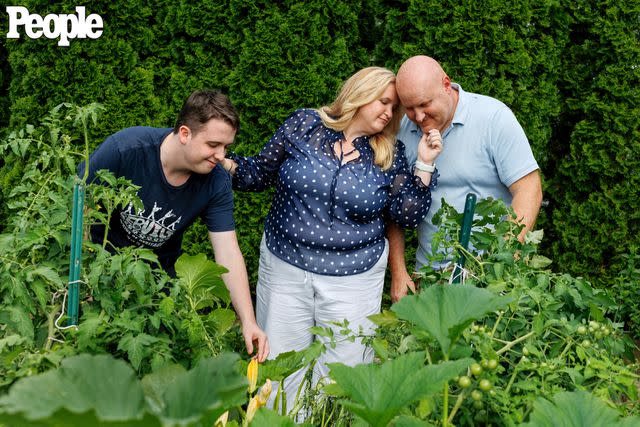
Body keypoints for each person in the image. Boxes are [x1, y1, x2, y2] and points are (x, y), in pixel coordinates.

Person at [221, 67, 442, 413]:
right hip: (285, 269)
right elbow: (257, 174)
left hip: (354, 281)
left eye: (393, 108)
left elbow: (406, 215)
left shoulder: (390, 153)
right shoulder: (304, 125)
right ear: (359, 92)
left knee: (340, 377)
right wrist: (218, 160)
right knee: (278, 368)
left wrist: (425, 166)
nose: (388, 112)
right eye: (383, 101)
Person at [78, 90, 269, 361]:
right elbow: (79, 210)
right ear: (184, 133)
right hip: (96, 281)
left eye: (226, 147)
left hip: (154, 294)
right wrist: (83, 280)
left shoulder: (216, 182)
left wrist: (248, 321)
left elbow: (227, 251)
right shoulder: (125, 149)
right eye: (213, 144)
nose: (221, 155)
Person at [388, 55, 543, 302]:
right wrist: (398, 271)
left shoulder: (493, 117)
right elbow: (393, 206)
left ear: (446, 85)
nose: (417, 117)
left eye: (424, 104)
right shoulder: (403, 128)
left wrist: (501, 261)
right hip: (430, 277)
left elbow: (529, 189)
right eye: (409, 107)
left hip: (489, 277)